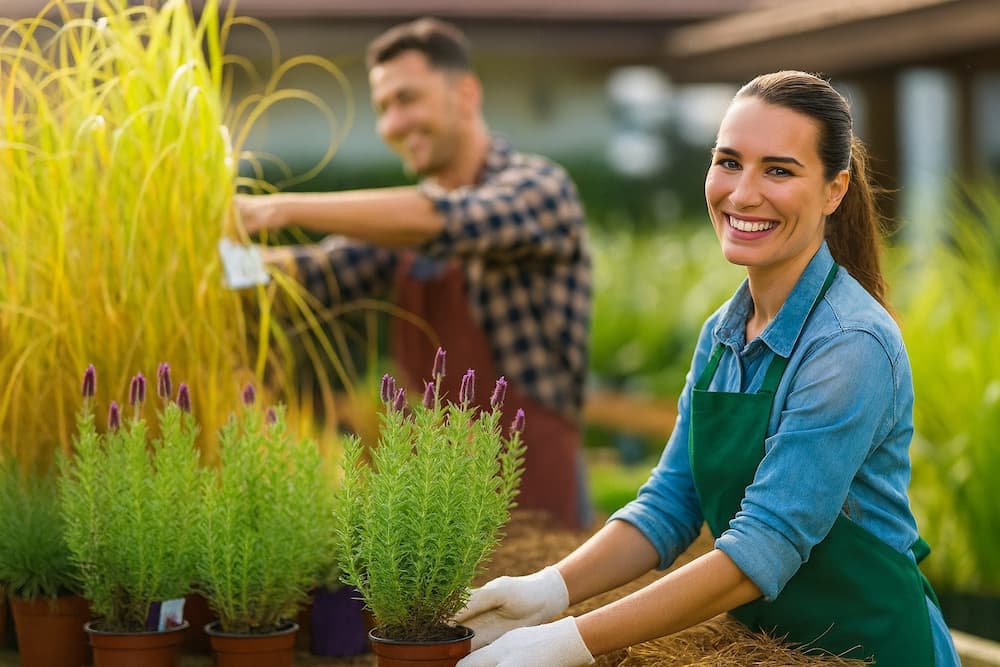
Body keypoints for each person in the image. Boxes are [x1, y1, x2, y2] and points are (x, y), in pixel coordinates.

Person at [454, 71, 961, 666]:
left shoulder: (850, 345)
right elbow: (670, 503)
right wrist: (546, 592)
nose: (742, 194)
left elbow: (762, 547)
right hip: (775, 649)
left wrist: (569, 641)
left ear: (834, 190)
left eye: (779, 170)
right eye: (729, 162)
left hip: (871, 648)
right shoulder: (723, 332)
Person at [236, 17, 592, 530]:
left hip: (532, 486)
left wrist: (277, 209)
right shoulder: (398, 228)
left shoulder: (540, 188)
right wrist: (209, 264)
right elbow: (313, 272)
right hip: (434, 494)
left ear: (465, 94)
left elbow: (451, 219)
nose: (393, 124)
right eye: (383, 108)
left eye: (407, 99)